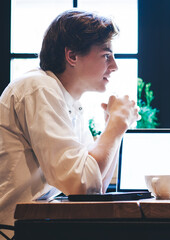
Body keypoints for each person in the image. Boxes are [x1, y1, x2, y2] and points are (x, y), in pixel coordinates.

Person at [0, 9, 140, 230]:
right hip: (11, 230)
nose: (114, 66)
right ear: (72, 56)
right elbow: (81, 184)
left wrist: (116, 128)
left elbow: (95, 189)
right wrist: (115, 125)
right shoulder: (39, 87)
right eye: (106, 55)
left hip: (32, 227)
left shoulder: (71, 103)